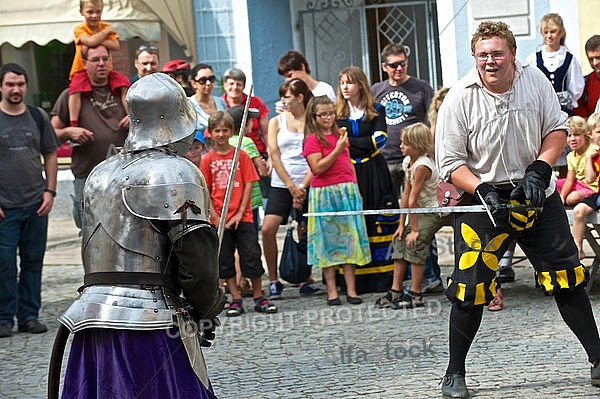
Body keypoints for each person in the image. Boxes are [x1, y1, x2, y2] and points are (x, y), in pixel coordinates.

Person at [436, 20, 600, 398]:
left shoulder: (536, 80)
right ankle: (454, 373)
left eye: (497, 53)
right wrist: (481, 189)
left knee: (568, 278)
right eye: (482, 55)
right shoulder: (460, 96)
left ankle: (598, 359)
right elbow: (450, 161)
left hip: (536, 196)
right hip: (482, 201)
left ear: (511, 53)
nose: (490, 61)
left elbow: (557, 128)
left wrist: (541, 169)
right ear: (475, 57)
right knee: (470, 288)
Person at [56, 73, 224, 398]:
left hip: (91, 320)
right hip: (151, 323)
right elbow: (198, 261)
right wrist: (206, 309)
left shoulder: (99, 174)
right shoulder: (175, 172)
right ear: (177, 118)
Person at [0, 63, 60, 338]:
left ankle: (29, 316)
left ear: (26, 86)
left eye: (20, 84)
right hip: (4, 207)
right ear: (1, 86)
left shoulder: (37, 117)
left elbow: (50, 153)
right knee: (5, 263)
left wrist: (50, 191)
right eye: (10, 84)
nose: (16, 89)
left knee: (33, 262)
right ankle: (4, 318)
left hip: (36, 203)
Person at [200, 111, 277, 317]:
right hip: (219, 219)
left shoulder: (241, 155)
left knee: (250, 254)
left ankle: (259, 295)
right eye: (217, 130)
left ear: (232, 131)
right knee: (225, 259)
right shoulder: (207, 159)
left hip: (243, 217)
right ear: (211, 133)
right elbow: (206, 190)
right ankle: (235, 297)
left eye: (225, 130)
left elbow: (249, 184)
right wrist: (217, 218)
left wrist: (240, 212)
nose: (222, 134)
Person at [51, 44, 129, 231]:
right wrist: (69, 131)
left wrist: (136, 119)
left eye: (105, 59)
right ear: (84, 63)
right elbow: (51, 134)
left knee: (126, 230)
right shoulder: (70, 95)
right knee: (89, 230)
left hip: (124, 176)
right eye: (95, 60)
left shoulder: (125, 90)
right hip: (87, 175)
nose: (101, 64)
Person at [302, 95, 371, 305]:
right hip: (324, 193)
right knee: (327, 242)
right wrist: (338, 149)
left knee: (350, 239)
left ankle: (351, 289)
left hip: (346, 189)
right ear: (314, 116)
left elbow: (348, 163)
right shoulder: (312, 139)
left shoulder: (340, 134)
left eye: (331, 113)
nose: (328, 118)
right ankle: (332, 290)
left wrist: (356, 187)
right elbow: (318, 168)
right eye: (323, 114)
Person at [335, 66, 399, 293]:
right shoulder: (336, 113)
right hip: (346, 171)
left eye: (349, 82)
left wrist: (348, 143)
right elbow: (335, 144)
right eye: (342, 82)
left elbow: (380, 140)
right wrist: (358, 142)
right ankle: (353, 282)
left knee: (377, 217)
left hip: (374, 171)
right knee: (351, 222)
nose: (345, 87)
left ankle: (383, 277)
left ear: (360, 84)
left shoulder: (377, 110)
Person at [375, 123, 449, 309]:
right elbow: (406, 196)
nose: (401, 146)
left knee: (415, 242)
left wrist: (415, 230)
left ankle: (416, 292)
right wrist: (402, 225)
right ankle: (396, 289)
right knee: (400, 239)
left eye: (405, 144)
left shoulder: (422, 166)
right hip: (418, 209)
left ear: (417, 145)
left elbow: (414, 199)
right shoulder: (408, 162)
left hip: (433, 210)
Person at [262, 79, 321, 300]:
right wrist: (290, 186)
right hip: (282, 183)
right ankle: (274, 280)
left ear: (299, 97)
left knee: (306, 230)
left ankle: (305, 277)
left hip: (308, 180)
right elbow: (274, 154)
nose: (283, 101)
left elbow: (318, 152)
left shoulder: (312, 122)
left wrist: (302, 186)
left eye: (287, 96)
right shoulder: (276, 121)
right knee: (268, 229)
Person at [371, 43, 434, 199]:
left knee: (415, 201)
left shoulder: (422, 87)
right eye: (394, 65)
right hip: (386, 157)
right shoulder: (376, 90)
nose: (399, 68)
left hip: (415, 158)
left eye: (402, 63)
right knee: (388, 202)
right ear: (384, 67)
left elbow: (434, 121)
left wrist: (427, 149)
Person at [67, 0, 129, 129]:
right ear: (81, 12)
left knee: (124, 84)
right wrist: (105, 34)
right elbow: (89, 41)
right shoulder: (80, 29)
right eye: (90, 12)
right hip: (81, 70)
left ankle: (131, 116)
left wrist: (95, 40)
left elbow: (116, 45)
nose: (94, 15)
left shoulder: (105, 25)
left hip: (107, 71)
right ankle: (74, 122)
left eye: (98, 11)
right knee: (75, 91)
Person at [221, 68, 271, 204]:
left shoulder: (255, 102)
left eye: (239, 84)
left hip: (257, 153)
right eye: (231, 83)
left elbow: (266, 132)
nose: (234, 87)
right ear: (225, 85)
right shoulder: (220, 104)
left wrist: (270, 156)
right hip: (231, 157)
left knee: (262, 192)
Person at [525, 13, 584, 116]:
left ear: (561, 32)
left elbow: (576, 88)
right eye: (545, 32)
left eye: (553, 32)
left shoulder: (570, 59)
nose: (549, 36)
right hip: (541, 111)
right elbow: (529, 85)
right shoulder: (533, 58)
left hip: (564, 112)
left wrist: (565, 99)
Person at [572, 112, 600, 260]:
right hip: (599, 195)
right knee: (578, 211)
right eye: (599, 131)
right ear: (590, 134)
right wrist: (589, 158)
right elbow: (589, 179)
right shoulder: (593, 154)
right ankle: (578, 249)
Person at [556, 116, 598, 206]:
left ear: (585, 135)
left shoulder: (592, 151)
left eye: (576, 135)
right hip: (578, 183)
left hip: (592, 187)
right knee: (552, 186)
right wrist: (562, 197)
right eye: (569, 135)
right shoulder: (571, 156)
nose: (572, 139)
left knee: (572, 199)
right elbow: (569, 180)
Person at [188, 63, 227, 147]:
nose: (208, 83)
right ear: (193, 83)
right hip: (198, 153)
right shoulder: (188, 105)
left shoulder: (221, 102)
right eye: (203, 80)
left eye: (211, 79)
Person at [575, 35, 600, 118]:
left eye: (598, 57)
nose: (595, 63)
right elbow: (582, 122)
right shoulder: (584, 84)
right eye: (591, 59)